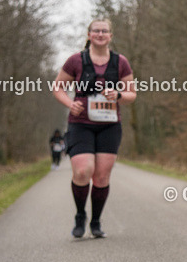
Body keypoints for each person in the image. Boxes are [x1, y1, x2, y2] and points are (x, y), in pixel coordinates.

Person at [52, 19, 135, 239]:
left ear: (110, 36)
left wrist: (118, 94)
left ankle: (96, 221)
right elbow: (58, 88)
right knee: (82, 171)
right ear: (89, 35)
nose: (100, 34)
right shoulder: (76, 60)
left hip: (109, 125)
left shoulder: (120, 62)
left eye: (104, 31)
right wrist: (70, 104)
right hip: (80, 124)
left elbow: (131, 94)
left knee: (101, 177)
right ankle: (80, 215)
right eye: (96, 30)